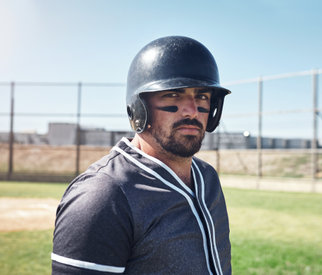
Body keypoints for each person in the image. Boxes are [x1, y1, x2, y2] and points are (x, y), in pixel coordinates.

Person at [52, 36, 232, 274]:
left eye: (201, 96)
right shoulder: (103, 196)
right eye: (173, 94)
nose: (191, 110)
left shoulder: (208, 178)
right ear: (139, 108)